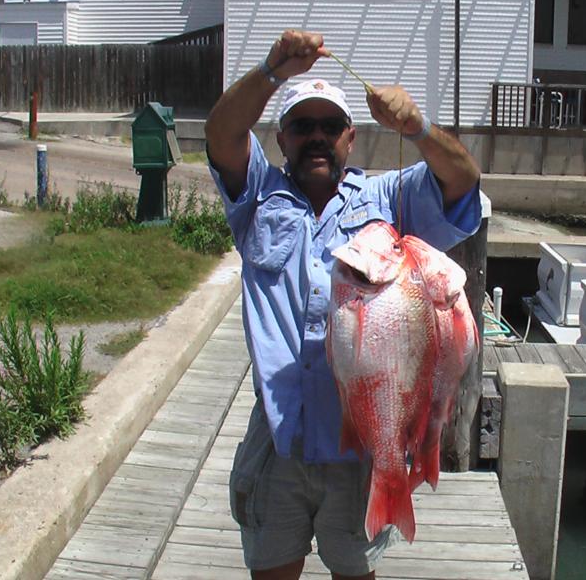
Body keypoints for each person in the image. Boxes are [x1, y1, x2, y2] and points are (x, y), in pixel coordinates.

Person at [205, 29, 482, 580]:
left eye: (330, 127)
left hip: (362, 443)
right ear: (280, 139)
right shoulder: (255, 197)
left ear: (350, 138)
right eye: (302, 126)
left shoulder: (387, 199)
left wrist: (418, 128)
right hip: (279, 435)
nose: (317, 138)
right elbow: (222, 132)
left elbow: (462, 182)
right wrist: (272, 70)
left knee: (355, 573)